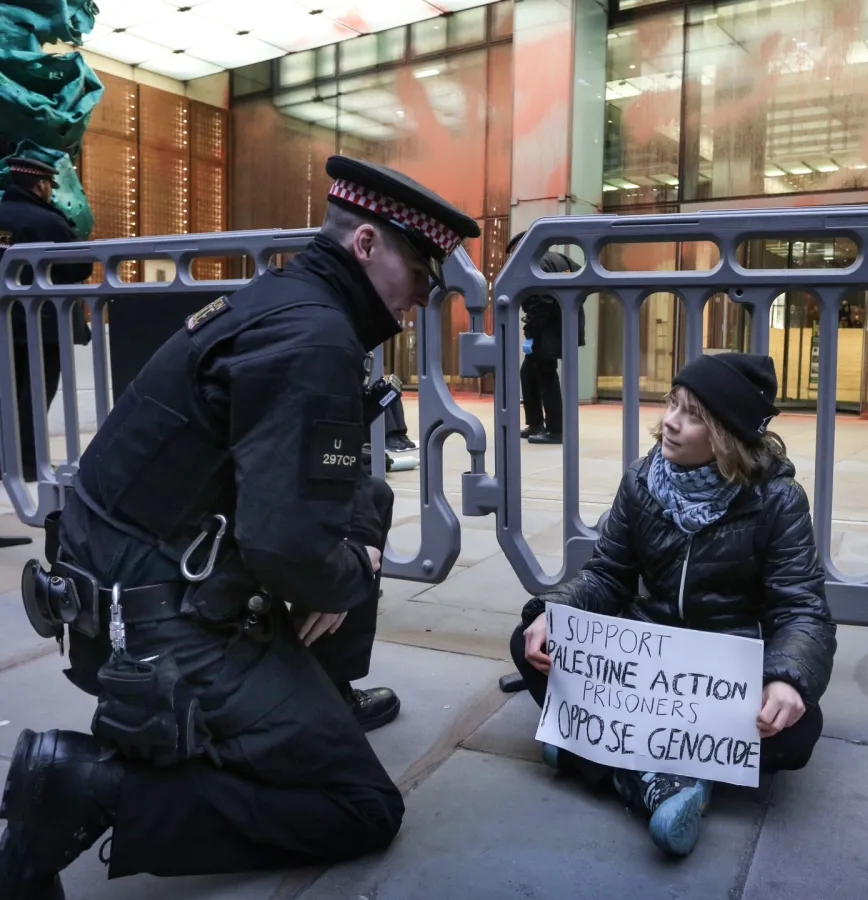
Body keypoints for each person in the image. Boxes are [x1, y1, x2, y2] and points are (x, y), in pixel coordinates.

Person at [0, 155, 481, 898]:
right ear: (365, 247)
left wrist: (337, 557)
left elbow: (334, 475)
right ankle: (87, 788)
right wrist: (350, 573)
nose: (423, 296)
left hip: (130, 585)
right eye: (420, 273)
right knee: (362, 808)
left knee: (364, 514)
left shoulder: (289, 303)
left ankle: (317, 695)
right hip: (160, 629)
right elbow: (285, 547)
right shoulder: (313, 338)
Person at [511, 352, 836, 857]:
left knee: (797, 734)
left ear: (726, 433)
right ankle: (657, 776)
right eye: (672, 404)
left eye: (693, 414)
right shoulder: (642, 481)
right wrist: (554, 613)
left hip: (723, 673)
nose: (669, 422)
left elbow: (802, 609)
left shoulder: (777, 500)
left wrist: (787, 678)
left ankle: (597, 754)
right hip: (646, 664)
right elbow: (606, 574)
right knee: (530, 641)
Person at [0, 156, 94, 483]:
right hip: (42, 325)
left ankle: (5, 460)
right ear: (41, 184)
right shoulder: (46, 221)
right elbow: (79, 267)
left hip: (3, 324)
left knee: (6, 394)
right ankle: (28, 462)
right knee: (35, 394)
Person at [508, 230, 585, 445]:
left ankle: (555, 429)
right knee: (529, 372)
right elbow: (582, 280)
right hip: (565, 326)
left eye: (514, 251)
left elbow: (541, 302)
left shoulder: (537, 262)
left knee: (546, 375)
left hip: (548, 330)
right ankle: (536, 423)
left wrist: (530, 333)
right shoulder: (560, 259)